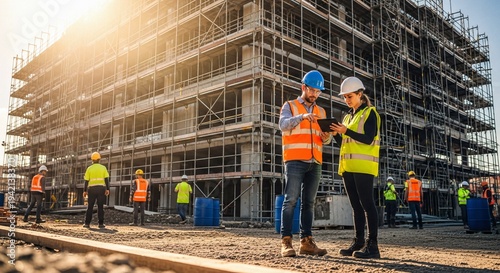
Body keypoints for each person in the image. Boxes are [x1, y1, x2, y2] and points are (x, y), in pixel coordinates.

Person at [278, 70, 331, 257]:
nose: (315, 95)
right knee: (290, 201)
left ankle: (306, 242)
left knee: (309, 203)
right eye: (312, 90)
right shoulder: (290, 106)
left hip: (314, 161)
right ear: (303, 88)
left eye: (318, 92)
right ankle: (286, 242)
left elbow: (325, 139)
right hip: (294, 160)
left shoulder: (321, 111)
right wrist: (301, 118)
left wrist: (326, 137)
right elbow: (283, 125)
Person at [329, 76, 381, 259]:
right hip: (348, 167)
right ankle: (359, 241)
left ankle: (373, 246)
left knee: (367, 205)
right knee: (355, 207)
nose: (346, 100)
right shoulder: (348, 116)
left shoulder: (370, 113)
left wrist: (346, 131)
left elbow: (368, 139)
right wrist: (336, 134)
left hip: (364, 167)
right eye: (344, 97)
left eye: (349, 96)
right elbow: (345, 142)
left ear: (360, 94)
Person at [83, 152, 110, 229]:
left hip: (91, 189)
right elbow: (106, 179)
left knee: (90, 207)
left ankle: (87, 223)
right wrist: (107, 189)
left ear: (92, 160)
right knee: (100, 206)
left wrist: (85, 190)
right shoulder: (103, 168)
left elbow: (86, 180)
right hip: (101, 189)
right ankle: (101, 224)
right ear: (99, 159)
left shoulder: (89, 168)